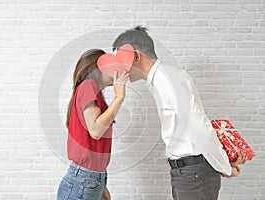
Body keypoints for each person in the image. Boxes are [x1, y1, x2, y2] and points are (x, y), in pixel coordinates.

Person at [112, 26, 246, 200]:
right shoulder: (158, 82)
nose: (118, 68)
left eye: (120, 60)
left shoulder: (169, 80)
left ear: (136, 56)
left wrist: (225, 167)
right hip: (187, 175)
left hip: (194, 176)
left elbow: (199, 127)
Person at [57, 49, 129, 200]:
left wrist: (100, 183)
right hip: (83, 180)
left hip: (91, 179)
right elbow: (95, 131)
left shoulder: (92, 92)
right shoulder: (88, 85)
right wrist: (119, 97)